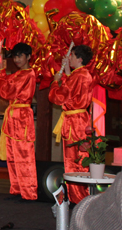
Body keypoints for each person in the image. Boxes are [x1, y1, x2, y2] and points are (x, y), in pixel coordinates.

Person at [0, 42, 38, 201]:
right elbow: (5, 84)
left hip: (22, 116)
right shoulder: (18, 74)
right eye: (15, 56)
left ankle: (28, 192)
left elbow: (6, 90)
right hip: (12, 115)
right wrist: (0, 70)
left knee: (23, 155)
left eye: (20, 56)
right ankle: (17, 189)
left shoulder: (28, 74)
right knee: (12, 155)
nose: (17, 59)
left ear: (29, 57)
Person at [49, 45, 93, 204]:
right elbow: (73, 92)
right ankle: (79, 197)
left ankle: (79, 199)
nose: (70, 58)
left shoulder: (78, 76)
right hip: (79, 120)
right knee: (79, 159)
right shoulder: (82, 74)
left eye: (72, 55)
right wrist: (67, 71)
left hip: (74, 123)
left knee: (74, 161)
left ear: (80, 58)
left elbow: (60, 97)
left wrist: (55, 83)